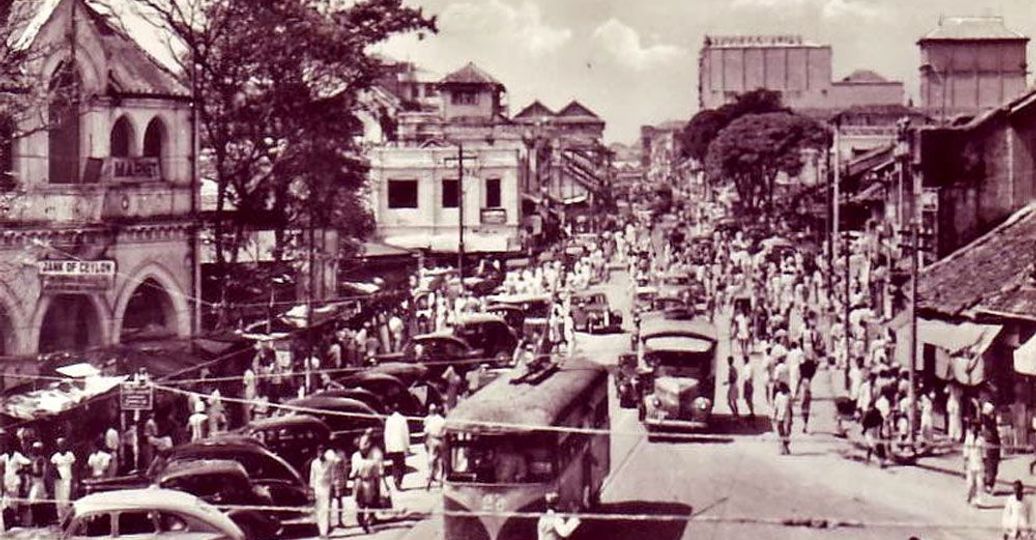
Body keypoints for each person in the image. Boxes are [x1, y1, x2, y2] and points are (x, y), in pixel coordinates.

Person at [351, 431, 384, 534]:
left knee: (368, 503)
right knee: (361, 503)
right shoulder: (356, 456)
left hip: (369, 482)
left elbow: (378, 472)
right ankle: (362, 520)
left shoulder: (375, 454)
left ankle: (368, 519)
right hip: (360, 482)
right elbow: (353, 472)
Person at [309, 445, 334, 539]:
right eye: (319, 452)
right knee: (319, 511)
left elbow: (332, 476)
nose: (321, 454)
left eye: (322, 452)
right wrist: (312, 491)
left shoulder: (330, 462)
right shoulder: (314, 463)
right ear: (317, 453)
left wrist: (332, 489)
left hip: (327, 488)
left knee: (326, 510)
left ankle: (325, 532)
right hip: (318, 488)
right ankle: (321, 531)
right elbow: (312, 478)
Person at [383, 404, 410, 491]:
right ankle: (399, 480)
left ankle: (395, 478)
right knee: (402, 465)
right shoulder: (403, 419)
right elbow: (406, 434)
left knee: (395, 464)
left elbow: (386, 434)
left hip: (392, 446)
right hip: (401, 445)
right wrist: (407, 446)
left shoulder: (389, 420)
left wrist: (387, 446)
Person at [50, 438, 75, 522]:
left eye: (63, 444)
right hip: (58, 481)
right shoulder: (55, 456)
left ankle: (68, 519)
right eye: (59, 445)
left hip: (67, 479)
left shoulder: (70, 455)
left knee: (66, 500)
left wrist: (75, 480)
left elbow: (74, 467)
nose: (61, 446)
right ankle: (61, 519)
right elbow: (52, 469)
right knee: (59, 500)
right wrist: (57, 475)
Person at [422, 404, 446, 490]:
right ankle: (441, 481)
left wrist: (424, 441)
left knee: (431, 461)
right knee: (442, 461)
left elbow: (426, 432)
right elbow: (445, 432)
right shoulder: (443, 420)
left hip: (432, 440)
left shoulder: (430, 420)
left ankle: (429, 481)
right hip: (441, 441)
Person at [964, 423, 986, 507]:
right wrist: (965, 462)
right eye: (973, 428)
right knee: (970, 483)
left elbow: (984, 454)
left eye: (976, 428)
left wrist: (985, 465)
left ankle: (978, 501)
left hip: (979, 463)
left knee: (980, 483)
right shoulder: (968, 438)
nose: (974, 430)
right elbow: (966, 451)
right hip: (971, 463)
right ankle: (969, 496)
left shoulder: (981, 440)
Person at [772, 382, 793, 455]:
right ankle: (783, 448)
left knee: (787, 433)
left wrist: (791, 417)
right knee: (781, 432)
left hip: (787, 416)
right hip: (779, 416)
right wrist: (774, 416)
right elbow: (775, 406)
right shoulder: (778, 395)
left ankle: (785, 447)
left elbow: (790, 407)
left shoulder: (789, 395)